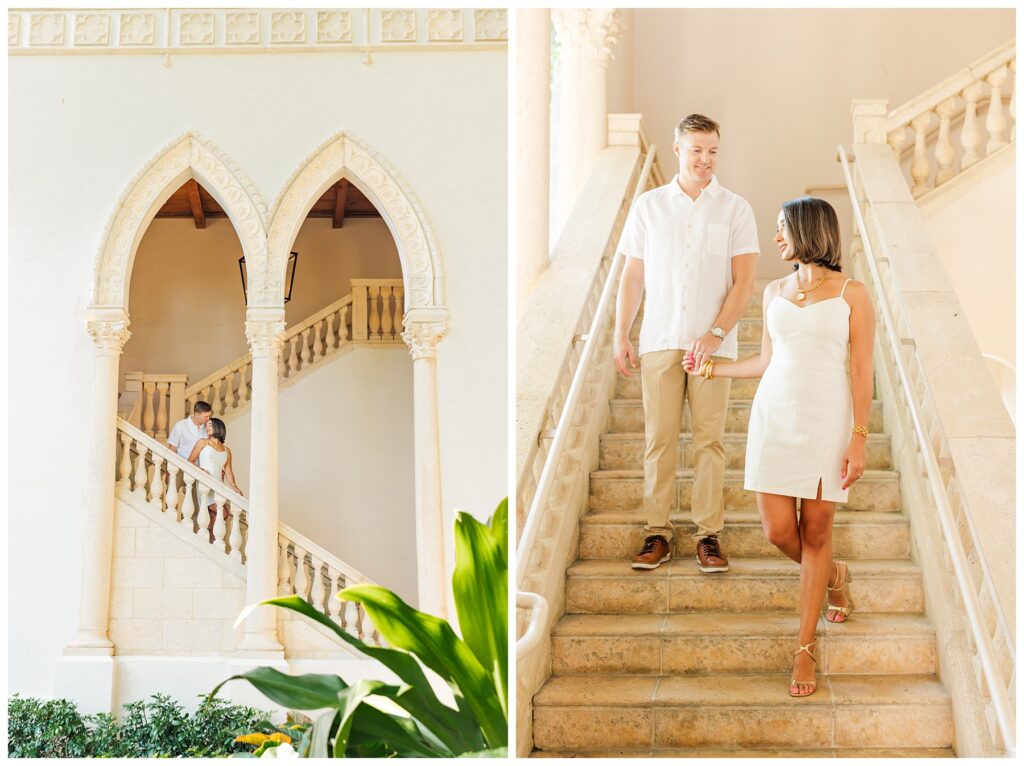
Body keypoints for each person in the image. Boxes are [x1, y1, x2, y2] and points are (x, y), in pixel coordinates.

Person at [684, 196, 875, 697]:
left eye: (782, 228)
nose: (775, 238)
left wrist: (858, 437)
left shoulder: (854, 294)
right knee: (776, 531)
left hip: (827, 418)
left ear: (809, 230)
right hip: (775, 417)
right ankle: (834, 574)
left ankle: (805, 648)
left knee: (815, 531)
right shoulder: (774, 291)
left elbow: (861, 372)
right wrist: (713, 367)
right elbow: (765, 362)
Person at [614, 113, 759, 574]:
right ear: (677, 149)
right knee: (658, 439)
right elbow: (633, 276)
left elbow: (744, 283)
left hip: (713, 347)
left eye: (712, 150)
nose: (705, 159)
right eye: (696, 150)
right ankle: (657, 531)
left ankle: (707, 535)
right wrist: (622, 332)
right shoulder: (649, 207)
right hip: (659, 339)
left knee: (710, 441)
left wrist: (715, 334)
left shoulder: (736, 208)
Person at [187, 417, 243, 543]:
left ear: (218, 428)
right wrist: (201, 471)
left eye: (210, 425)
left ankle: (208, 541)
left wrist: (234, 486)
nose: (206, 428)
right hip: (205, 483)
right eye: (206, 425)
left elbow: (228, 471)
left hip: (218, 485)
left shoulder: (227, 450)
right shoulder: (202, 443)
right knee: (223, 513)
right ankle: (205, 538)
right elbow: (190, 461)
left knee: (213, 516)